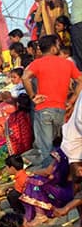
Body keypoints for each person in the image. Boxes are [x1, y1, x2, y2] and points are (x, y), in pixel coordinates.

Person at [22, 34, 81, 168]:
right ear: (54, 48)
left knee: (46, 149)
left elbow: (25, 77)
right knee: (63, 145)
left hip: (44, 109)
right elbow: (80, 80)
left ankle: (49, 178)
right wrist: (72, 100)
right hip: (62, 110)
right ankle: (62, 174)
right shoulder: (67, 63)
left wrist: (32, 96)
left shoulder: (37, 63)